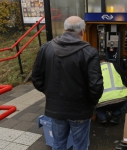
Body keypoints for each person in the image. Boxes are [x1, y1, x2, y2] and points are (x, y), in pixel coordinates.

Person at [32, 16, 103, 150]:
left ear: (64, 29)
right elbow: (96, 86)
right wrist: (91, 104)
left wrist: (49, 93)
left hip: (55, 109)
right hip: (80, 110)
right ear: (82, 31)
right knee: (80, 145)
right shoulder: (90, 52)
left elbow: (36, 78)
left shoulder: (46, 48)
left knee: (58, 144)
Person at [95, 55, 127, 125]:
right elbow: (123, 78)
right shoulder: (114, 65)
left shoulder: (94, 68)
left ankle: (102, 118)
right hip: (119, 100)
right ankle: (115, 115)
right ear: (106, 60)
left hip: (100, 103)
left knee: (93, 100)